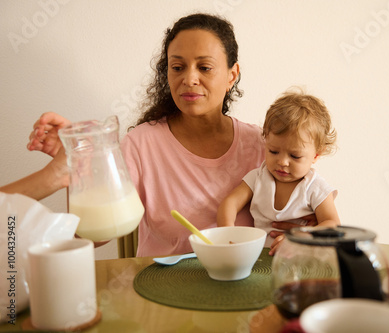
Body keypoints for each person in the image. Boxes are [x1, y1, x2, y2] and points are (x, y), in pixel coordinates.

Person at [25, 13, 317, 257]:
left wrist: (303, 234)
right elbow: (90, 236)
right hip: (161, 292)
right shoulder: (141, 145)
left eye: (204, 67)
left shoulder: (263, 146)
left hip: (246, 283)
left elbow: (305, 217)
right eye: (177, 67)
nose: (189, 79)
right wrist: (80, 161)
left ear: (231, 75)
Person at [217, 89, 341, 255]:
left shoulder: (314, 186)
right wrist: (228, 234)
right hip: (260, 258)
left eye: (295, 156)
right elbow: (230, 204)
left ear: (316, 155)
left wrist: (302, 237)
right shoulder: (258, 177)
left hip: (301, 258)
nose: (282, 162)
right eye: (273, 151)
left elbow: (332, 223)